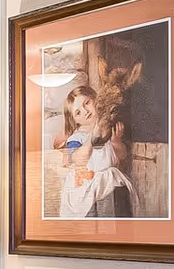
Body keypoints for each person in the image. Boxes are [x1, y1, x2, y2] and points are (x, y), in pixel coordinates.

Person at [55, 85, 134, 218]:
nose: (85, 111)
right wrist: (92, 136)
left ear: (96, 100)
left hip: (110, 180)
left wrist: (116, 142)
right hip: (86, 185)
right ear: (73, 120)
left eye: (87, 103)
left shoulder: (109, 129)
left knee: (113, 214)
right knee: (90, 217)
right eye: (78, 112)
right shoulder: (76, 137)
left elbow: (121, 156)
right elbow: (80, 158)